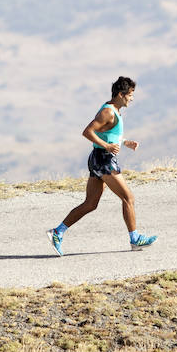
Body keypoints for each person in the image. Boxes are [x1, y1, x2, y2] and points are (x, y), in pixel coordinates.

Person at [47, 76, 158, 255]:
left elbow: (106, 134)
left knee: (91, 203)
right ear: (121, 94)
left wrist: (124, 142)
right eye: (130, 95)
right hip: (104, 160)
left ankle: (57, 232)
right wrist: (107, 146)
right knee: (128, 198)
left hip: (98, 158)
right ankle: (135, 239)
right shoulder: (108, 112)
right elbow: (87, 131)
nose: (132, 98)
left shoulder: (114, 110)